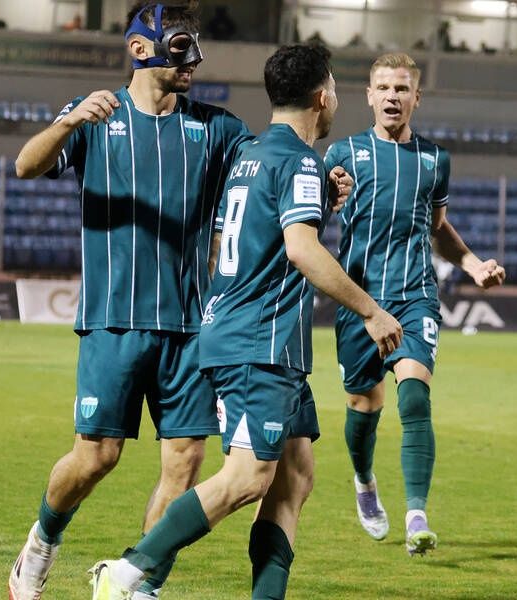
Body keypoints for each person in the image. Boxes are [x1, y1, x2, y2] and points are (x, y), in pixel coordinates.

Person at [88, 43, 403, 600]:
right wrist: (372, 311)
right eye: (334, 90)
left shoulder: (252, 154)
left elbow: (250, 236)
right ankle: (129, 573)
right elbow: (301, 249)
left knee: (295, 477)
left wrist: (320, 201)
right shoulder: (299, 160)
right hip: (261, 342)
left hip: (251, 335)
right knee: (248, 478)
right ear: (322, 97)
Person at [7, 4, 249, 600]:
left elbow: (269, 170)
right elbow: (26, 165)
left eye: (196, 46)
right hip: (112, 320)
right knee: (96, 457)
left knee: (185, 461)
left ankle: (138, 581)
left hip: (189, 328)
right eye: (182, 45)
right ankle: (42, 541)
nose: (194, 59)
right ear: (141, 49)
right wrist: (68, 123)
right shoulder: (96, 117)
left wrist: (323, 181)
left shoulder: (216, 129)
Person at [323, 52, 505, 555]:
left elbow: (438, 228)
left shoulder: (434, 160)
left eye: (402, 89)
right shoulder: (342, 154)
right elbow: (313, 218)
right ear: (369, 96)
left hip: (415, 297)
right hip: (359, 301)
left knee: (414, 397)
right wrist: (328, 195)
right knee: (364, 405)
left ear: (416, 98)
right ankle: (364, 480)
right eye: (383, 88)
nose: (392, 96)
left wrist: (473, 265)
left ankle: (416, 515)